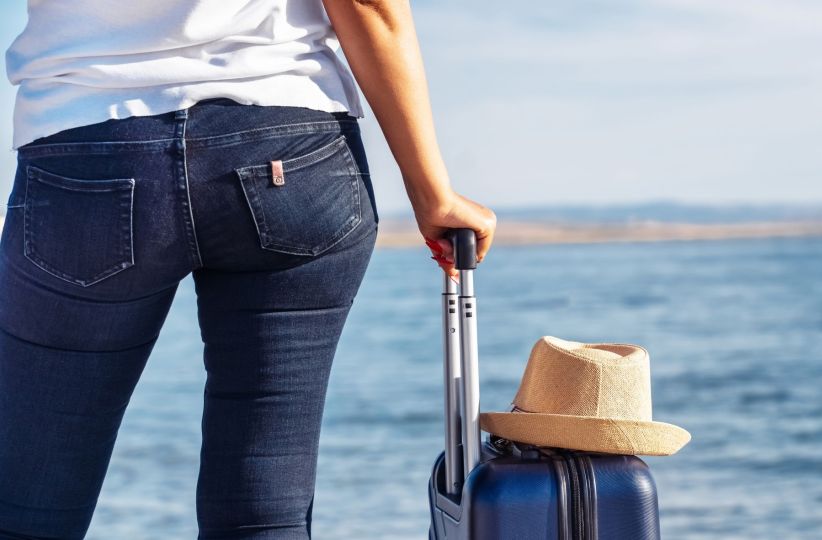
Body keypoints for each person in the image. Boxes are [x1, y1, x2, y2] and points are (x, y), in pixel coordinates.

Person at [0, 0, 496, 538]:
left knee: (27, 511)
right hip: (288, 146)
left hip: (87, 147)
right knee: (264, 516)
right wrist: (431, 191)